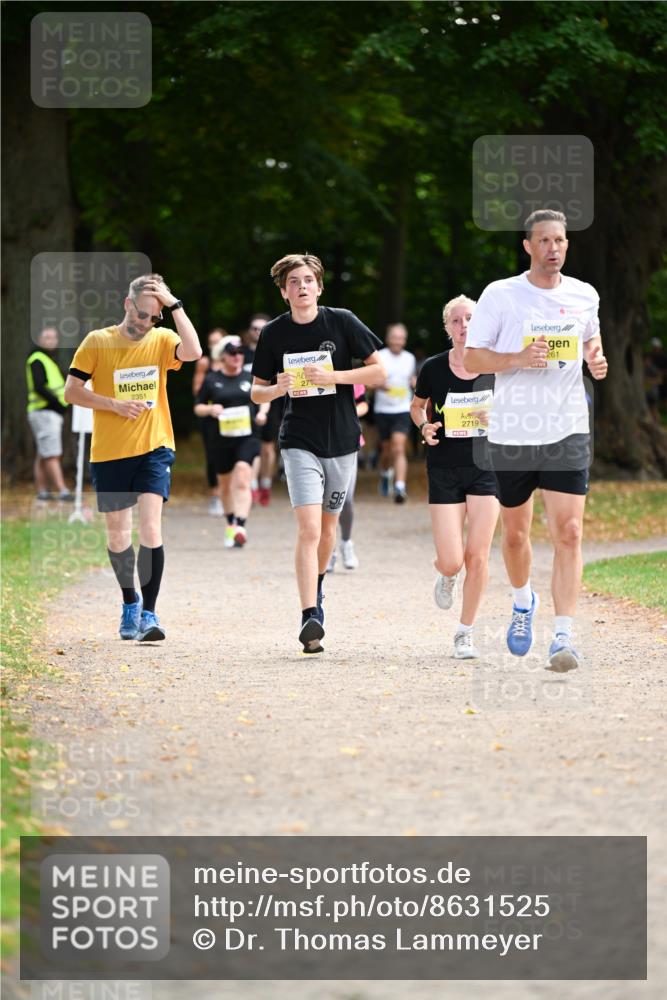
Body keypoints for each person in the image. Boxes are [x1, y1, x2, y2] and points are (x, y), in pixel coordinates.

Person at [464, 209, 608, 671]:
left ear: (567, 244)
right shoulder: (501, 294)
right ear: (527, 246)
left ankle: (563, 636)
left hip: (567, 427)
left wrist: (596, 359)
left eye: (559, 240)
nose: (553, 248)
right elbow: (472, 358)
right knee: (515, 535)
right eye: (543, 240)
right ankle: (523, 601)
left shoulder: (584, 294)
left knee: (570, 532)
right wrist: (518, 358)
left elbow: (591, 341)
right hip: (513, 431)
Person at [251, 253, 385, 653]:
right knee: (309, 530)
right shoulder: (274, 333)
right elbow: (256, 392)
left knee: (328, 530)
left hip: (342, 440)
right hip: (299, 440)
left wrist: (334, 376)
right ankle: (309, 614)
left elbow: (379, 372)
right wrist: (276, 388)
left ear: (319, 287)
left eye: (308, 280)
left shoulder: (342, 321)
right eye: (294, 282)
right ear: (284, 291)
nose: (302, 287)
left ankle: (318, 585)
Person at [64, 273, 202, 642]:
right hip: (110, 452)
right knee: (118, 534)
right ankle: (130, 601)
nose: (146, 322)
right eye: (141, 314)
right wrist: (113, 404)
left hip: (155, 446)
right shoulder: (98, 341)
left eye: (154, 316)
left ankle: (149, 613)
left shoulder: (162, 339)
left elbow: (193, 352)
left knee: (151, 528)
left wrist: (174, 305)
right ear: (127, 304)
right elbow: (72, 392)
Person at [410, 296, 499, 659]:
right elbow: (417, 407)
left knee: (478, 556)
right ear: (447, 327)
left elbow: (519, 408)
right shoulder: (433, 367)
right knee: (452, 560)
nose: (464, 326)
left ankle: (465, 632)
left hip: (487, 467)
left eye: (470, 319)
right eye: (457, 321)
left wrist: (500, 419)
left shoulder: (497, 365)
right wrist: (424, 426)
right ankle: (447, 575)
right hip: (444, 466)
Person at [194, 335, 266, 548]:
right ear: (223, 356)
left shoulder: (250, 377)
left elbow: (265, 397)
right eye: (232, 353)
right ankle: (231, 524)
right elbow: (198, 407)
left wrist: (262, 412)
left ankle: (241, 526)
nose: (237, 357)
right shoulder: (212, 379)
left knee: (243, 478)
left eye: (240, 353)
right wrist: (210, 409)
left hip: (248, 436)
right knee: (225, 486)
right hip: (221, 439)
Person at [26, 326, 73, 501]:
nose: (51, 341)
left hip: (47, 413)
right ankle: (62, 490)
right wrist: (59, 404)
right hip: (45, 412)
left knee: (43, 452)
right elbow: (39, 387)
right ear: (39, 339)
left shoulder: (48, 360)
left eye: (54, 337)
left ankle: (42, 491)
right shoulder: (37, 359)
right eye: (47, 337)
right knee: (52, 452)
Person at [327, 384, 368, 572]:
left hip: (348, 441)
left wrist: (345, 414)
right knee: (322, 501)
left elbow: (363, 404)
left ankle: (346, 542)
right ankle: (328, 549)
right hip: (318, 442)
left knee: (346, 500)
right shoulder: (311, 373)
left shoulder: (351, 374)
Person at [375, 322, 417, 503]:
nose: (397, 341)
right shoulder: (379, 356)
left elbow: (412, 379)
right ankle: (385, 474)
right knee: (386, 450)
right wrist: (380, 385)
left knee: (399, 447)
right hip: (383, 409)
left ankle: (400, 487)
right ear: (388, 339)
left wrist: (415, 383)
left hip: (402, 408)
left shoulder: (410, 358)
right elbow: (369, 381)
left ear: (405, 340)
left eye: (401, 338)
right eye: (394, 337)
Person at [244, 313, 279, 506]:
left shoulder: (274, 351)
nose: (258, 332)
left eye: (262, 328)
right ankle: (252, 486)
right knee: (251, 447)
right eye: (254, 328)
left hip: (270, 404)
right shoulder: (240, 353)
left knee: (267, 448)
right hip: (245, 406)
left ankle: (266, 484)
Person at [192, 328, 227, 516]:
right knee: (213, 456)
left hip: (232, 415)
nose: (215, 346)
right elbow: (197, 391)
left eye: (218, 341)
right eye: (211, 342)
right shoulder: (205, 363)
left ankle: (231, 494)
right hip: (210, 415)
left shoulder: (234, 360)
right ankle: (215, 496)